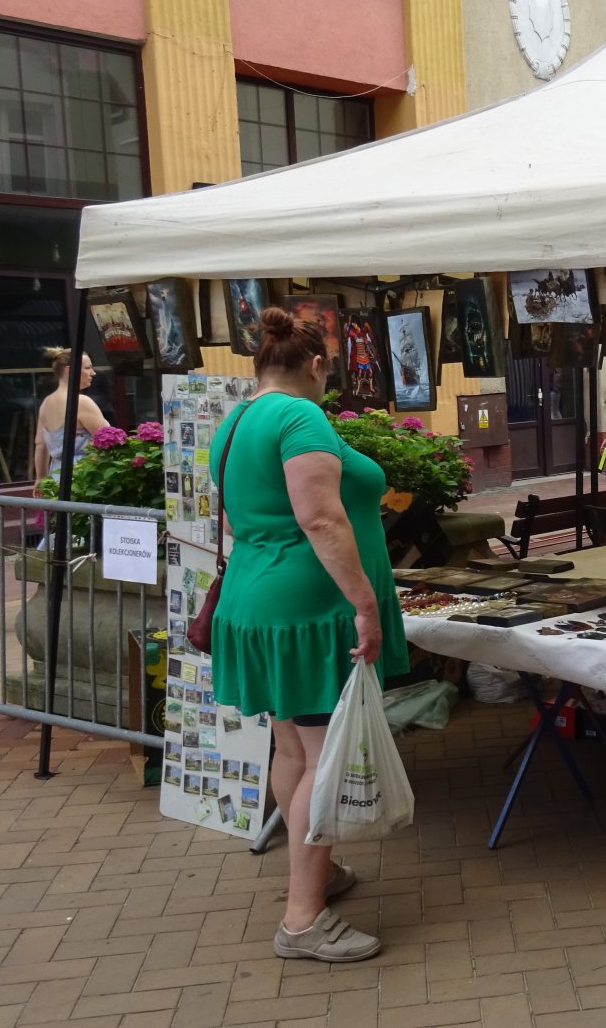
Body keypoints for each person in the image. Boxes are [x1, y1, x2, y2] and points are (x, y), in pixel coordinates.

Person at [208, 307, 408, 963]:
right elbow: (320, 519)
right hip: (310, 611)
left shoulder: (235, 421)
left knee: (293, 749)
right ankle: (302, 920)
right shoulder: (300, 417)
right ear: (317, 364)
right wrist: (365, 605)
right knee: (325, 759)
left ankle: (315, 873)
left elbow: (242, 517)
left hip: (258, 599)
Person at [31, 348, 110, 481]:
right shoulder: (81, 402)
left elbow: (40, 445)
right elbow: (110, 441)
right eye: (88, 368)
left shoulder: (46, 403)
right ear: (70, 371)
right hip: (84, 475)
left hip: (56, 475)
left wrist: (41, 479)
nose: (93, 373)